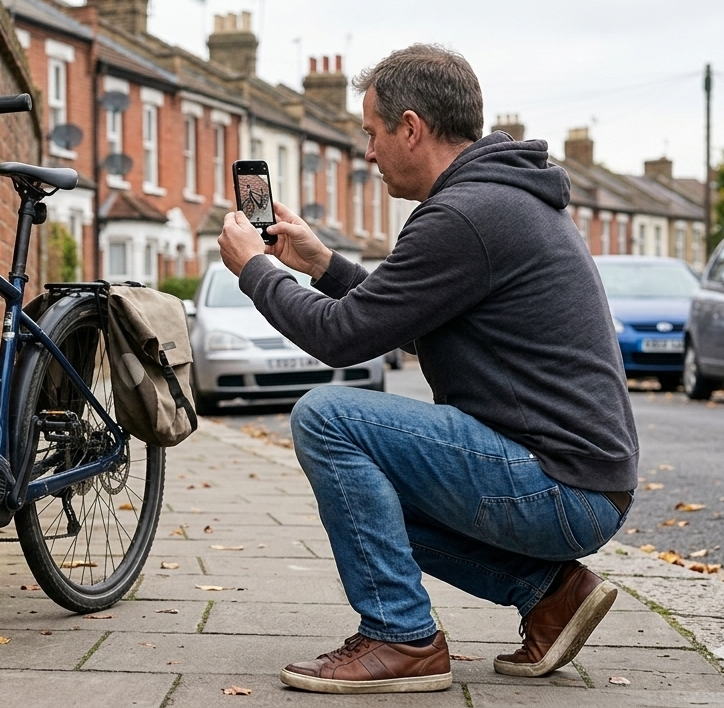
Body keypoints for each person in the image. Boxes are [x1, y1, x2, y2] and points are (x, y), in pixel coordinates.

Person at [217, 44, 638, 695]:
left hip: (558, 486)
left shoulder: (465, 215)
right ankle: (551, 595)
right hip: (578, 483)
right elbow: (408, 317)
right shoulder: (492, 200)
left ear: (411, 128)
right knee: (367, 503)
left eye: (372, 133)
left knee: (327, 417)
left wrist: (254, 268)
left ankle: (401, 637)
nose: (369, 152)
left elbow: (342, 337)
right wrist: (323, 264)